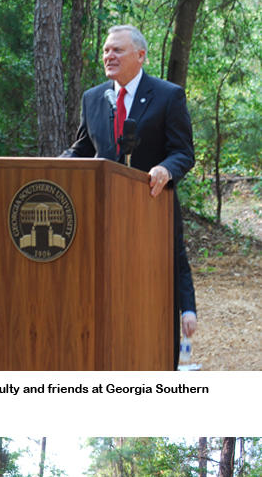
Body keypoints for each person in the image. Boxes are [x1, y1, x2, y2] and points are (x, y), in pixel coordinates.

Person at [62, 24, 196, 368]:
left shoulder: (168, 95)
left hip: (151, 212)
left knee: (152, 299)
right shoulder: (93, 98)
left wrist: (166, 169)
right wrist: (54, 167)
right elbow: (84, 148)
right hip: (102, 218)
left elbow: (183, 152)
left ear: (140, 55)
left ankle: (158, 370)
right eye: (106, 50)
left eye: (117, 50)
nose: (109, 56)